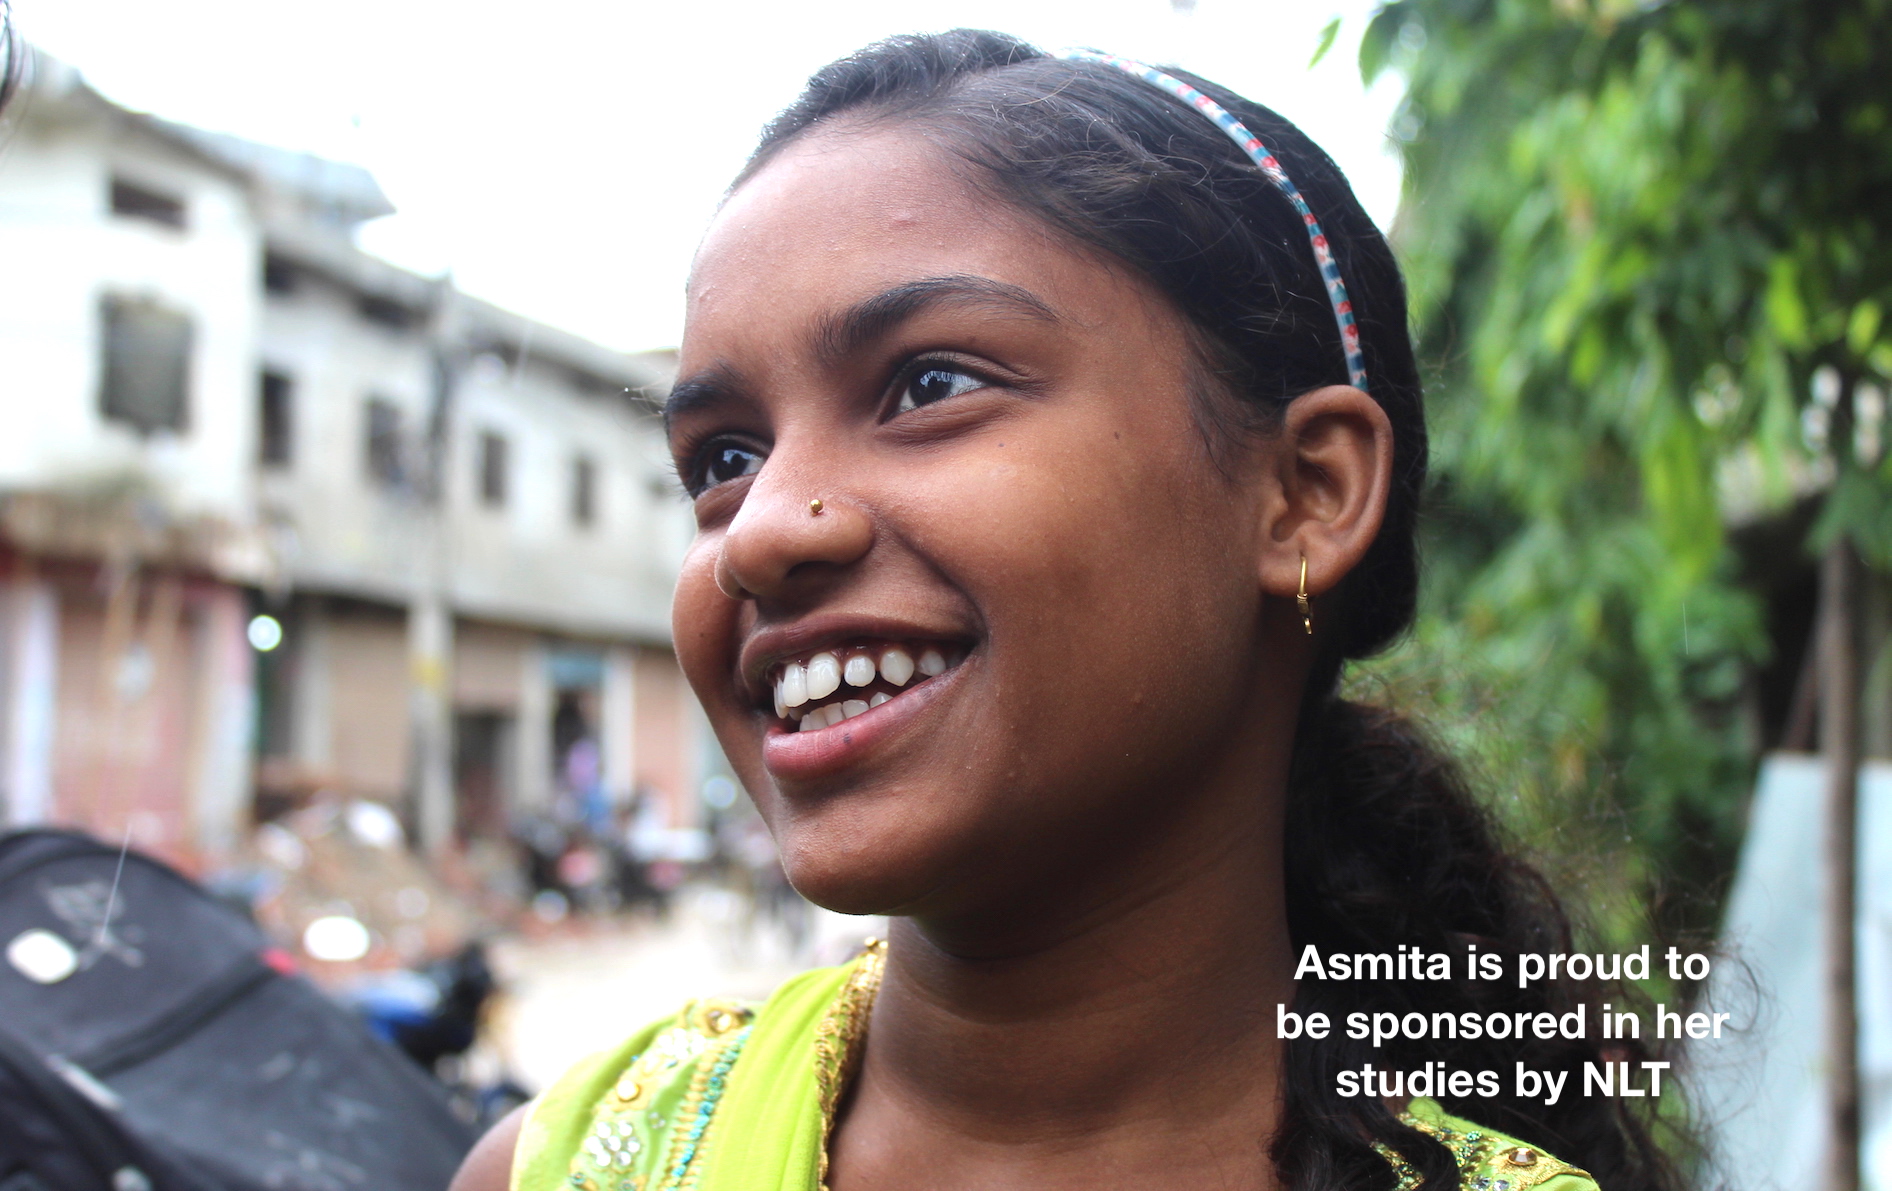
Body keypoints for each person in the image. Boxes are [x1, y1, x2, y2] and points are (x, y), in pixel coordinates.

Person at [454, 30, 1680, 1191]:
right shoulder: (569, 1167)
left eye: (928, 385)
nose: (764, 528)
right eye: (721, 459)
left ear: (1302, 494)